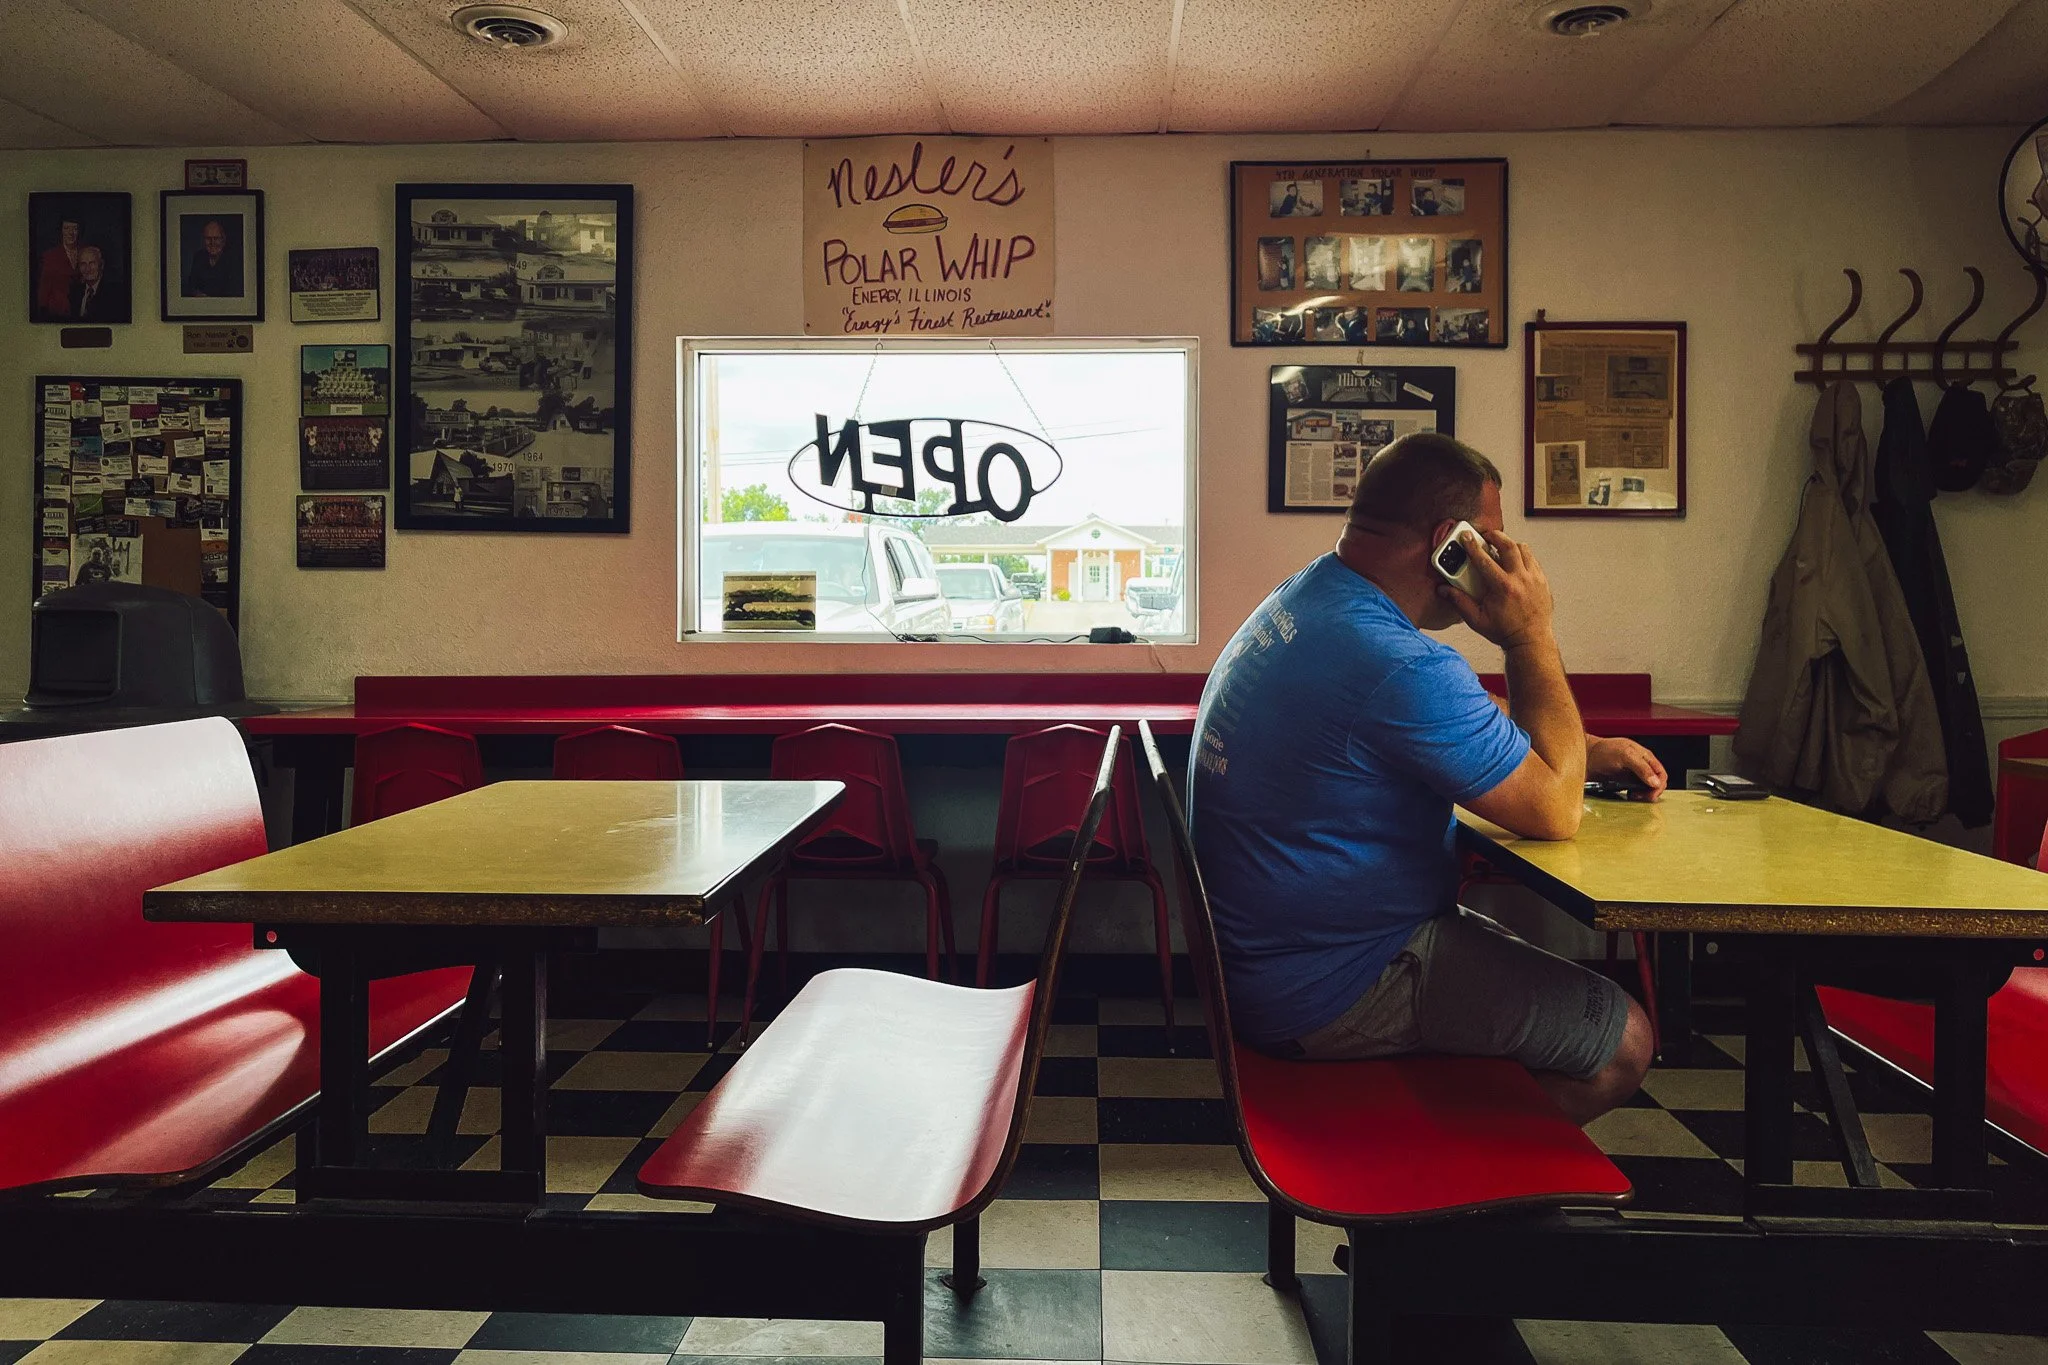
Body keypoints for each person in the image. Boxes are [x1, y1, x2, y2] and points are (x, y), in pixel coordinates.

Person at [1190, 432, 1659, 1124]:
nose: (1500, 562)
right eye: (1491, 542)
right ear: (1451, 541)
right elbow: (1556, 810)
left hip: (1268, 964)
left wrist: (1583, 747)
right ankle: (1447, 1215)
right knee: (1623, 1040)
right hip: (1335, 983)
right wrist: (1530, 634)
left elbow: (1451, 709)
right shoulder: (1396, 661)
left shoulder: (1315, 597)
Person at [37, 217, 81, 318]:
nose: (71, 233)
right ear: (61, 231)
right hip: (57, 314)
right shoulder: (50, 256)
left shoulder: (86, 253)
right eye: (66, 228)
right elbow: (44, 291)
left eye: (75, 228)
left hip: (82, 314)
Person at [184, 219, 239, 297]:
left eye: (216, 238)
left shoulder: (232, 260)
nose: (212, 243)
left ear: (223, 240)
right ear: (203, 240)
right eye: (208, 238)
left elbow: (234, 292)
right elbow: (191, 286)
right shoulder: (198, 257)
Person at [68, 245, 112, 320]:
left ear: (101, 265)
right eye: (83, 264)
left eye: (92, 263)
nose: (87, 269)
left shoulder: (113, 293)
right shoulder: (74, 292)